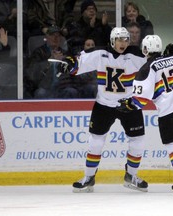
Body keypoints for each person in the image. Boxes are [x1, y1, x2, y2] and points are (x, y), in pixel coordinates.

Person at [117, 35, 173, 195]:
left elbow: (141, 99)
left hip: (169, 109)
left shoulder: (146, 69)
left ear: (145, 50)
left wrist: (128, 105)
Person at [65, 27, 148, 193]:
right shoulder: (100, 54)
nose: (123, 43)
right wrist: (69, 64)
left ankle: (131, 176)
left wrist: (163, 56)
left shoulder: (136, 56)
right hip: (104, 105)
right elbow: (78, 63)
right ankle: (89, 177)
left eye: (125, 39)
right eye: (119, 39)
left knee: (138, 142)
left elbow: (154, 64)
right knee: (95, 142)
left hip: (129, 105)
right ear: (112, 40)